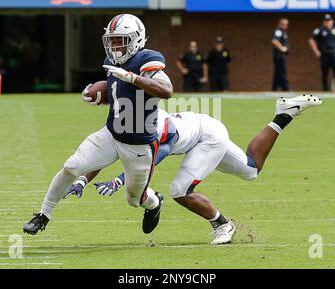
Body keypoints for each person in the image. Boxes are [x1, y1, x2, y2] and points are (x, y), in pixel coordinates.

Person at [67, 94, 322, 245]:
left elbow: (153, 159)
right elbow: (104, 153)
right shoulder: (126, 123)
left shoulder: (154, 130)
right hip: (204, 126)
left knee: (179, 190)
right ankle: (283, 114)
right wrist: (81, 180)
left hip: (207, 137)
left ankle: (222, 224)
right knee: (250, 169)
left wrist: (119, 181)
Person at [23, 14, 173, 236]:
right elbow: (118, 94)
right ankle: (43, 215)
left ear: (137, 38)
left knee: (135, 198)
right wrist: (97, 95)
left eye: (120, 40)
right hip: (111, 134)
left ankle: (155, 203)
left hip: (139, 145)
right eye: (111, 40)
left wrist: (132, 78)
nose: (114, 46)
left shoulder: (148, 60)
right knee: (72, 166)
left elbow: (166, 91)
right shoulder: (111, 61)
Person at [309, 14, 335, 91]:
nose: (327, 22)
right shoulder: (319, 30)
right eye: (326, 21)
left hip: (333, 54)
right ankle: (325, 90)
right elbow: (311, 40)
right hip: (324, 55)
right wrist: (316, 51)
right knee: (325, 73)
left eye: (329, 21)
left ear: (332, 21)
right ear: (323, 22)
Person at [271, 18, 290, 91]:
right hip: (279, 56)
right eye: (283, 24)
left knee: (277, 73)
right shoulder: (278, 31)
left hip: (281, 56)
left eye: (286, 25)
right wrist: (282, 48)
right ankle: (286, 88)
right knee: (282, 72)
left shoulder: (283, 32)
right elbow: (274, 40)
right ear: (279, 24)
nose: (284, 26)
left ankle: (274, 88)